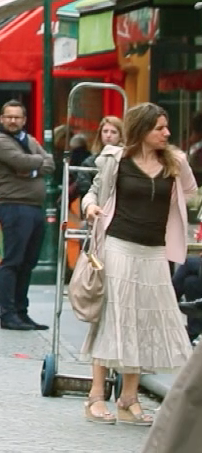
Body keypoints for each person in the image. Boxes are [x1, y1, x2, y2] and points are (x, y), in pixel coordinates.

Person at [80, 103, 197, 425]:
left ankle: (128, 399)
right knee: (114, 318)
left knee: (142, 322)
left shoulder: (175, 162)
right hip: (118, 246)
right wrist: (91, 208)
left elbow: (192, 196)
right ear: (142, 129)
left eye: (166, 127)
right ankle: (96, 396)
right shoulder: (115, 160)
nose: (167, 133)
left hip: (155, 252)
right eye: (159, 127)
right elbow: (91, 193)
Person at [0, 100, 54, 331]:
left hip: (34, 207)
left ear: (24, 120)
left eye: (17, 117)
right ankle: (7, 314)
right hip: (14, 206)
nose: (13, 121)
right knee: (13, 261)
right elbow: (20, 161)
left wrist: (31, 168)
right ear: (2, 118)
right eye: (9, 117)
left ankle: (21, 312)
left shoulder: (28, 139)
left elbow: (50, 163)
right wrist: (34, 164)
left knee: (28, 263)